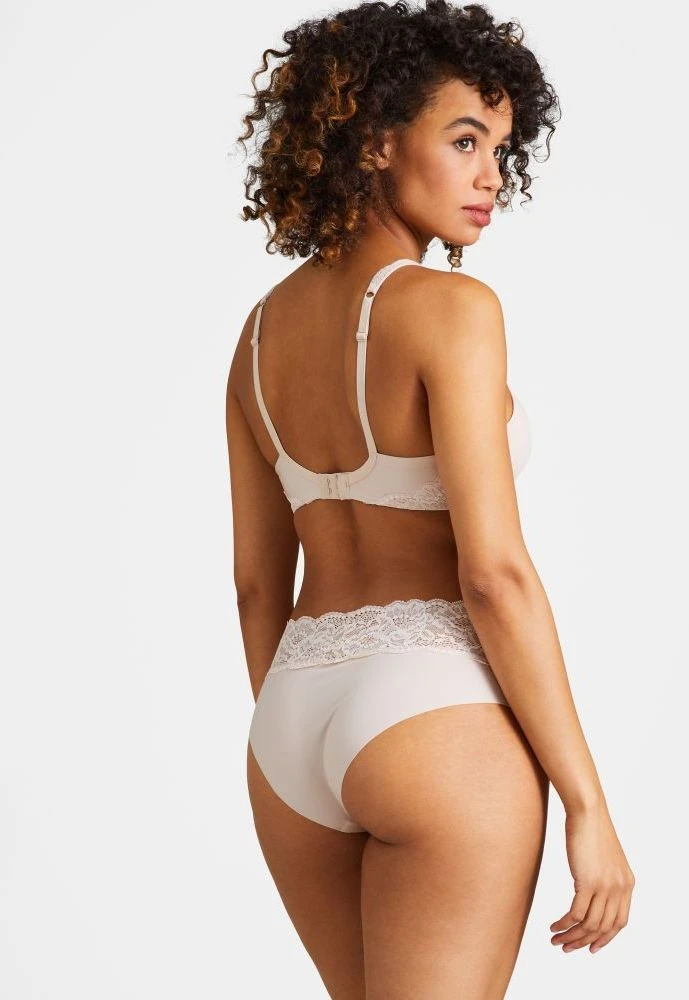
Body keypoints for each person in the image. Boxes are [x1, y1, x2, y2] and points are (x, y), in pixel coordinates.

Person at [226, 2, 635, 996]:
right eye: (464, 141)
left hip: (290, 726)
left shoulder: (257, 337)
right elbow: (493, 575)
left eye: (500, 148)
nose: (492, 175)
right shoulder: (452, 310)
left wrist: (309, 728)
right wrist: (587, 803)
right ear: (374, 141)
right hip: (432, 710)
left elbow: (254, 584)